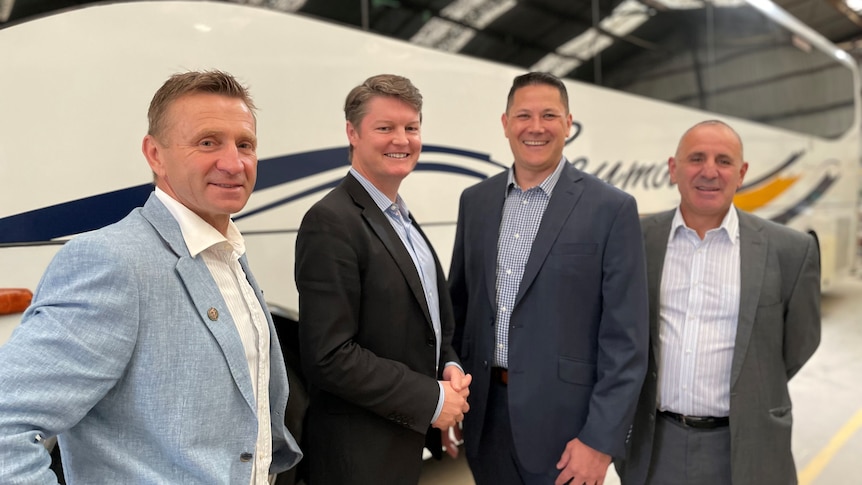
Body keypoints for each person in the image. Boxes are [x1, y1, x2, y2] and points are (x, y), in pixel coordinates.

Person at [0, 70, 302, 484]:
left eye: (245, 144)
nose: (234, 163)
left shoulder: (225, 250)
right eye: (207, 142)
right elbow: (6, 424)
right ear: (155, 155)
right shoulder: (111, 261)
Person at [448, 71, 649, 485]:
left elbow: (626, 340)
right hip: (485, 419)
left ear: (568, 123)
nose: (535, 127)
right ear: (505, 124)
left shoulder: (611, 208)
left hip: (567, 430)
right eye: (523, 115)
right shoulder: (476, 201)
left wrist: (600, 439)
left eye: (549, 115)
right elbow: (460, 307)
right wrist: (448, 398)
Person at [616, 120, 821, 485]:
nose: (709, 171)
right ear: (673, 169)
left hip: (747, 447)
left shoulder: (790, 250)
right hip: (655, 445)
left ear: (741, 173)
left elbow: (799, 344)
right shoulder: (637, 239)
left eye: (724, 161)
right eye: (696, 158)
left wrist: (755, 384)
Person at [295, 74, 471, 485]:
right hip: (358, 459)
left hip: (401, 446)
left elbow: (430, 325)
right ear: (352, 133)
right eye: (385, 128)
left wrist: (448, 366)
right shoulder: (330, 221)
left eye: (411, 127)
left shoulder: (403, 220)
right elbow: (329, 357)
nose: (402, 139)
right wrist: (431, 400)